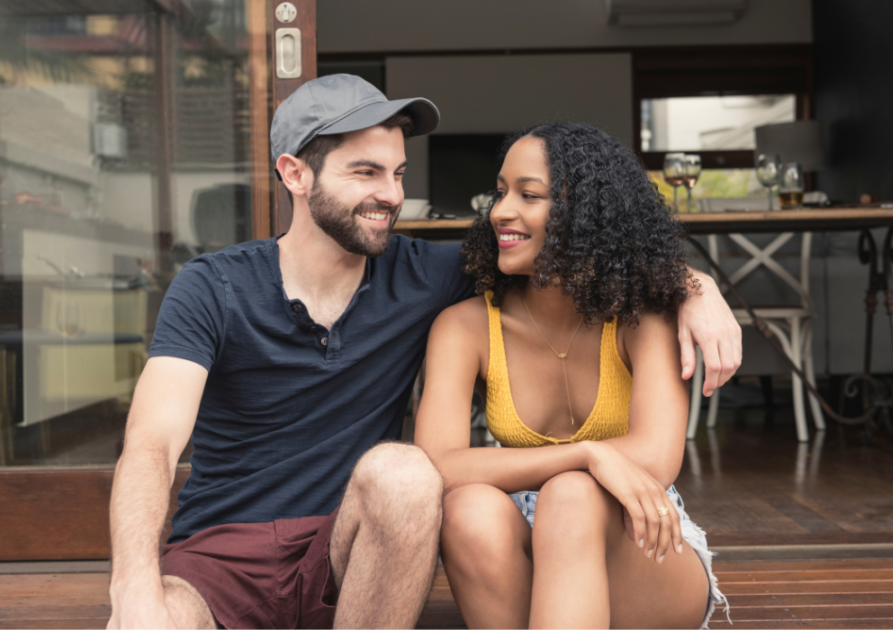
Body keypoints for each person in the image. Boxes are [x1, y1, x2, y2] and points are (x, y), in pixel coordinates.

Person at [106, 76, 740, 629]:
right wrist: (133, 589)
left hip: (345, 554)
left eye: (397, 173)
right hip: (221, 558)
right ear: (294, 173)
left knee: (411, 475)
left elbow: (590, 247)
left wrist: (695, 286)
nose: (390, 194)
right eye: (365, 172)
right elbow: (152, 446)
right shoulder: (213, 286)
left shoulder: (427, 275)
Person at [415, 122, 730, 629]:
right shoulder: (464, 326)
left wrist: (576, 475)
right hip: (526, 550)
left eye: (528, 195)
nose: (500, 211)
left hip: (642, 546)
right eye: (500, 193)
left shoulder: (641, 319)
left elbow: (655, 459)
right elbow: (436, 467)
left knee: (573, 495)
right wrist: (588, 453)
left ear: (588, 215)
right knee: (467, 508)